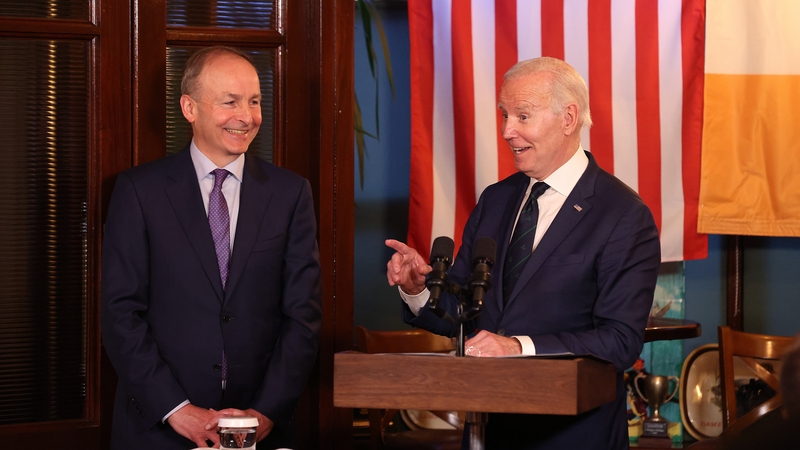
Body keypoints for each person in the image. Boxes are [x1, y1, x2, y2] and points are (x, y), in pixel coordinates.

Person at [386, 57, 661, 449]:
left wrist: (517, 347)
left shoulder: (623, 215)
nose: (507, 131)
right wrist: (417, 289)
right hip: (487, 429)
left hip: (572, 436)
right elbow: (464, 311)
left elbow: (619, 341)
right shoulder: (496, 200)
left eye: (522, 116)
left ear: (568, 119)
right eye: (504, 115)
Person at [101, 46, 322, 449]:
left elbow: (302, 318)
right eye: (230, 102)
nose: (247, 116)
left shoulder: (290, 194)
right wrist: (177, 410)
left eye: (254, 101)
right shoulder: (139, 192)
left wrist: (264, 414)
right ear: (189, 108)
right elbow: (120, 315)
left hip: (260, 428)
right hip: (160, 429)